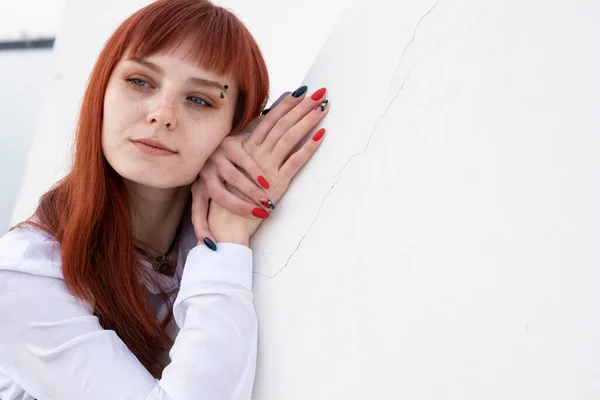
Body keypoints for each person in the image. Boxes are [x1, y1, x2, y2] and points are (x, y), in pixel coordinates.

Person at [0, 0, 329, 398]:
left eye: (200, 100)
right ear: (101, 91)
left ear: (233, 128)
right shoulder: (23, 277)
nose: (162, 114)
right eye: (140, 81)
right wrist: (225, 243)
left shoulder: (198, 226)